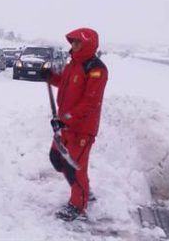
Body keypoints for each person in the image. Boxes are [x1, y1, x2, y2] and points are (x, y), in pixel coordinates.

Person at [45, 27, 108, 221]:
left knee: (74, 167)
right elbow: (65, 84)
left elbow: (90, 102)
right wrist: (49, 77)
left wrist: (64, 119)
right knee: (57, 158)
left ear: (88, 43)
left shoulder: (96, 69)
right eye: (72, 42)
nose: (74, 45)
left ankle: (78, 204)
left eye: (78, 42)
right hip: (66, 125)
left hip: (82, 129)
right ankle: (83, 189)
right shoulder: (73, 64)